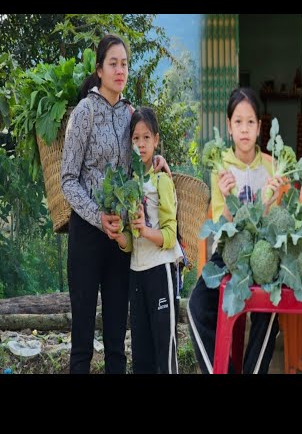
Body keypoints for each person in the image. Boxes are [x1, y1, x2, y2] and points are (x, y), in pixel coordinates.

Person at [61, 34, 169, 374]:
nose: (120, 70)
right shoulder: (84, 113)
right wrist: (98, 217)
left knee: (116, 344)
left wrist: (159, 160)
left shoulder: (129, 114)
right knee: (81, 344)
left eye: (124, 64)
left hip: (121, 241)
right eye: (113, 64)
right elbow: (68, 179)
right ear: (99, 70)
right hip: (87, 237)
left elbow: (143, 150)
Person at [187, 87, 283, 374]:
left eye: (250, 122)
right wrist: (226, 197)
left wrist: (269, 199)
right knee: (195, 307)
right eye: (238, 122)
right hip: (228, 255)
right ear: (229, 127)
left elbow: (272, 225)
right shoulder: (221, 168)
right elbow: (222, 225)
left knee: (269, 313)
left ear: (259, 127)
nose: (244, 129)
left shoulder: (271, 166)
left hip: (262, 254)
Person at [113, 107, 183, 373]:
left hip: (160, 271)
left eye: (146, 138)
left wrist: (144, 230)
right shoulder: (128, 183)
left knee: (165, 352)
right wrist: (122, 236)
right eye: (135, 139)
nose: (140, 144)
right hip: (136, 273)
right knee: (140, 356)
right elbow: (131, 242)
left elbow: (169, 234)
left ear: (156, 139)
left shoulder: (161, 180)